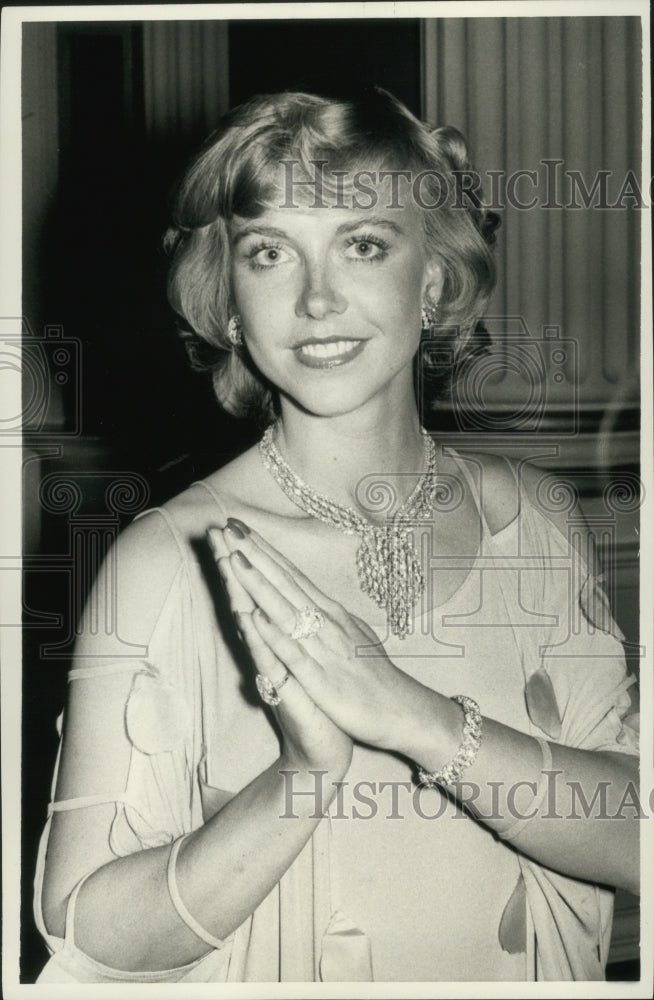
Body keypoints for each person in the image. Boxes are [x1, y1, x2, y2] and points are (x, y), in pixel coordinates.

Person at [34, 88, 639, 984]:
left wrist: (415, 718)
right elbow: (85, 931)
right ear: (231, 301)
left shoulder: (538, 522)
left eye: (362, 244)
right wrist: (303, 775)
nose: (317, 299)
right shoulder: (167, 560)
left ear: (431, 279)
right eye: (270, 253)